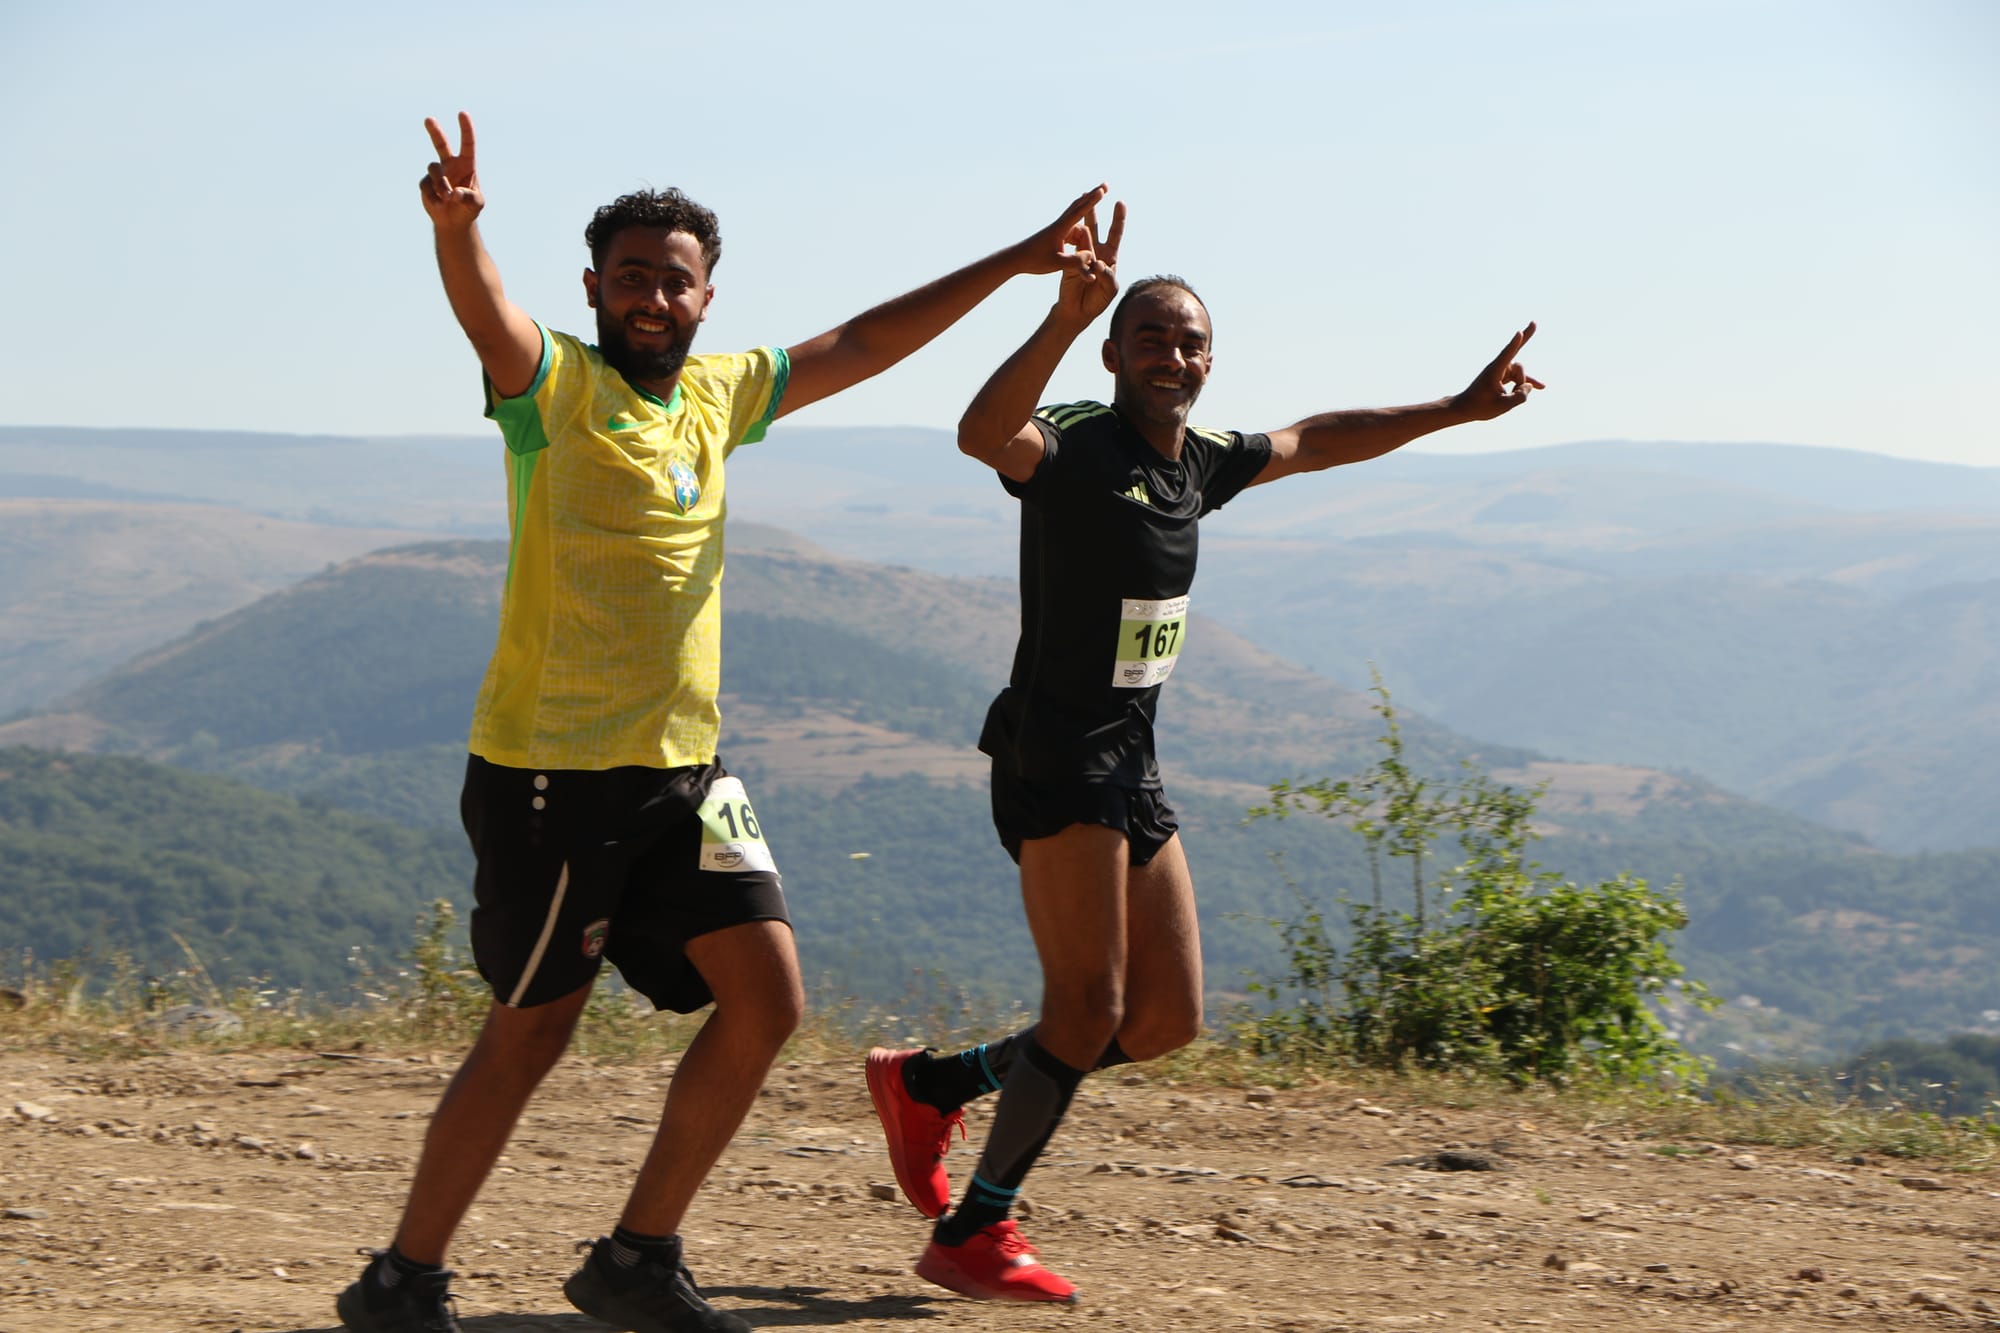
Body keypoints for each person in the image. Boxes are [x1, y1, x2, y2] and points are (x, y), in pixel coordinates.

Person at [337, 111, 1112, 1333]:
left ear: (706, 297)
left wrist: (1015, 261)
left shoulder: (720, 392)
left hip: (685, 770)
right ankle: (403, 1277)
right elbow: (489, 321)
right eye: (629, 276)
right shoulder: (554, 389)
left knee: (767, 998)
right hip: (556, 773)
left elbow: (866, 340)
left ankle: (636, 1258)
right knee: (531, 1034)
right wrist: (458, 233)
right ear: (592, 289)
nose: (652, 297)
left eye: (674, 279)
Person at [866, 202, 1543, 1302]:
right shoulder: (1076, 442)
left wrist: (1458, 409)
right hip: (1057, 755)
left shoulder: (1199, 462)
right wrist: (1058, 316)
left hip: (1132, 761)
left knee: (1164, 1019)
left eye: (1189, 343)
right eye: (1150, 339)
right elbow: (984, 434)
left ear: (1209, 363)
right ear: (1112, 356)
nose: (1171, 358)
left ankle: (934, 1084)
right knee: (1085, 1008)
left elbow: (1317, 438)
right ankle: (974, 1229)